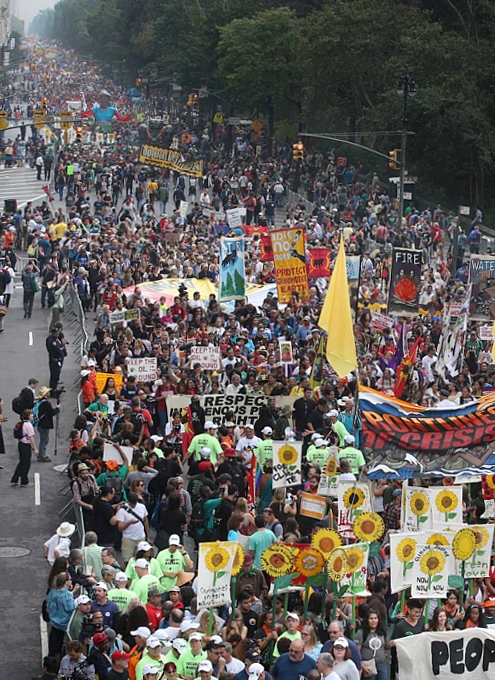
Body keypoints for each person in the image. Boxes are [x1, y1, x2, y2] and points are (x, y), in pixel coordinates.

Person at [46, 572, 76, 654]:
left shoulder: (53, 592)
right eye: (70, 579)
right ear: (65, 582)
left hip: (54, 622)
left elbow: (48, 606)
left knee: (53, 645)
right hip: (64, 623)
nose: (71, 581)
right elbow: (70, 607)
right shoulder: (67, 595)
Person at [354, 610, 388, 680]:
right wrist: (362, 665)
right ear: (367, 620)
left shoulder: (382, 632)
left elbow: (386, 646)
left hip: (382, 665)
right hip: (368, 666)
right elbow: (356, 652)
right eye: (371, 618)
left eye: (375, 618)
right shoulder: (361, 633)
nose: (373, 621)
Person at [117, 492, 150, 564]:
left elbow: (145, 521)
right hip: (128, 539)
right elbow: (120, 527)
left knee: (141, 560)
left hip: (141, 537)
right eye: (132, 503)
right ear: (128, 501)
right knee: (127, 561)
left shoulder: (142, 507)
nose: (134, 505)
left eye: (135, 502)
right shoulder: (122, 510)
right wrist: (129, 523)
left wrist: (147, 535)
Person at [11, 408, 38, 487]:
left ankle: (15, 479)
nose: (32, 415)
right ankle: (24, 481)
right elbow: (31, 438)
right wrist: (35, 448)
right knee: (26, 464)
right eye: (31, 414)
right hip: (26, 445)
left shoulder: (22, 423)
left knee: (21, 462)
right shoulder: (29, 425)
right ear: (28, 416)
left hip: (21, 444)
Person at [36, 386, 60, 462]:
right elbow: (52, 412)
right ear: (46, 394)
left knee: (43, 439)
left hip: (41, 423)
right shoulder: (46, 404)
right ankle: (42, 455)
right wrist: (57, 409)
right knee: (44, 440)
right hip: (44, 424)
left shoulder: (40, 402)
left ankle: (41, 454)